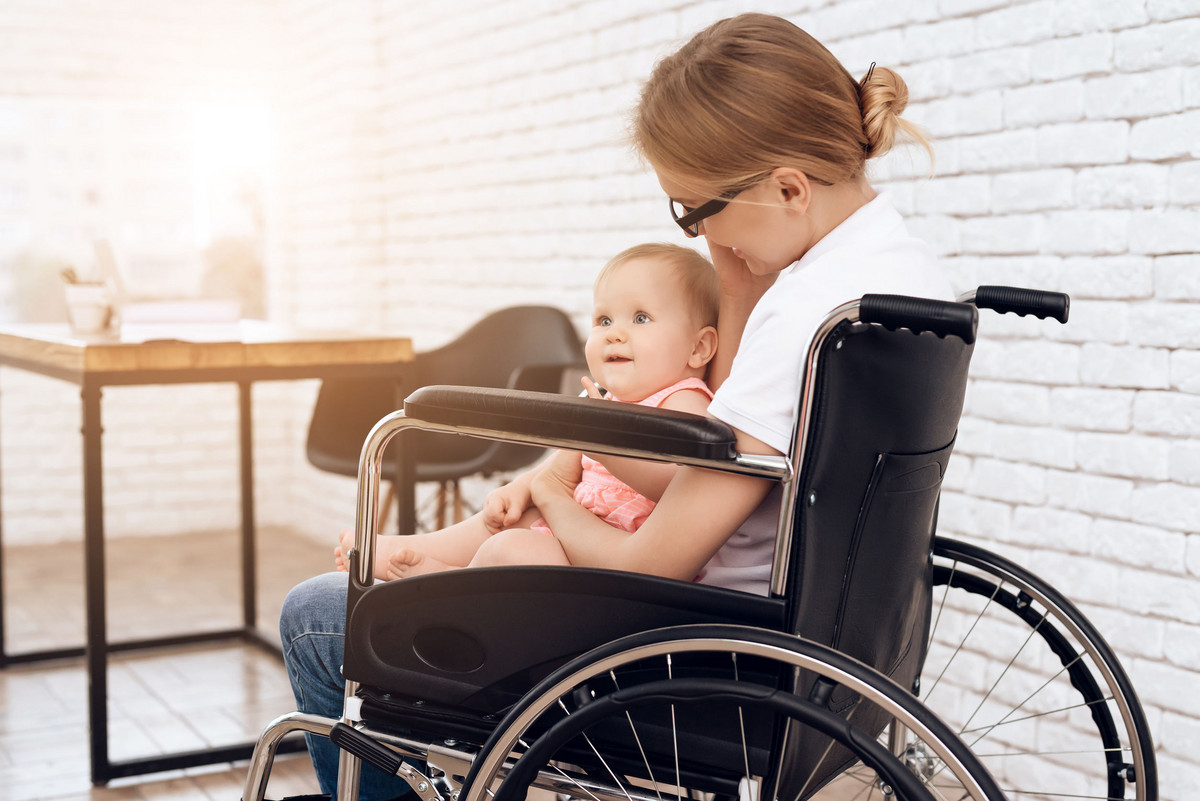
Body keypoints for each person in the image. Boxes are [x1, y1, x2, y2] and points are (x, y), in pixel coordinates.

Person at [277, 13, 954, 798]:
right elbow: (723, 437)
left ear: (788, 189)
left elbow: (650, 559)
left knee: (321, 614)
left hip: (689, 651)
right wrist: (735, 280)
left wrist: (554, 489)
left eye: (695, 211)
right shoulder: (896, 276)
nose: (698, 233)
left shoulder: (803, 314)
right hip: (817, 650)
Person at [331, 242, 719, 581]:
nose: (614, 333)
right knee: (506, 520)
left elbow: (683, 484)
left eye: (640, 318)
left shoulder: (684, 400)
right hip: (575, 529)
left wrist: (604, 448)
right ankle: (413, 549)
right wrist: (519, 487)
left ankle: (451, 582)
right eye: (603, 320)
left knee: (515, 550)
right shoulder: (605, 401)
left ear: (698, 348)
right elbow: (556, 472)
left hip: (611, 552)